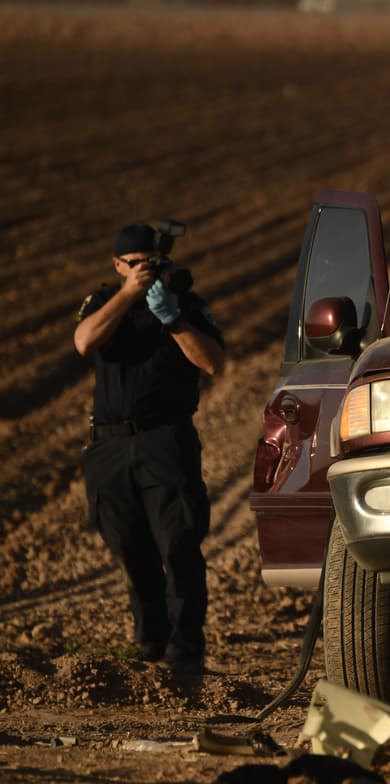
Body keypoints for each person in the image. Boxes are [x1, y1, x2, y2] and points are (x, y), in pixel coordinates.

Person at [73, 222, 225, 671]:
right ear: (118, 266)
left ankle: (186, 647)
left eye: (153, 264)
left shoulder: (186, 305)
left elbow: (213, 363)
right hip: (111, 444)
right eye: (136, 265)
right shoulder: (102, 304)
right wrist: (127, 296)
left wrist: (173, 319)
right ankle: (149, 641)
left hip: (166, 439)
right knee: (128, 544)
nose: (146, 272)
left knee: (178, 542)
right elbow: (84, 342)